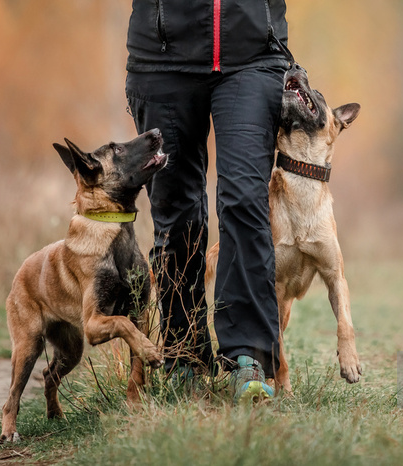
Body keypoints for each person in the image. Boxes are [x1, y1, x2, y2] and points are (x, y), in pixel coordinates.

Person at [124, 0, 291, 403]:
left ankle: (248, 358)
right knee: (176, 213)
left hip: (253, 54)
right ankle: (184, 356)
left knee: (245, 199)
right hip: (162, 58)